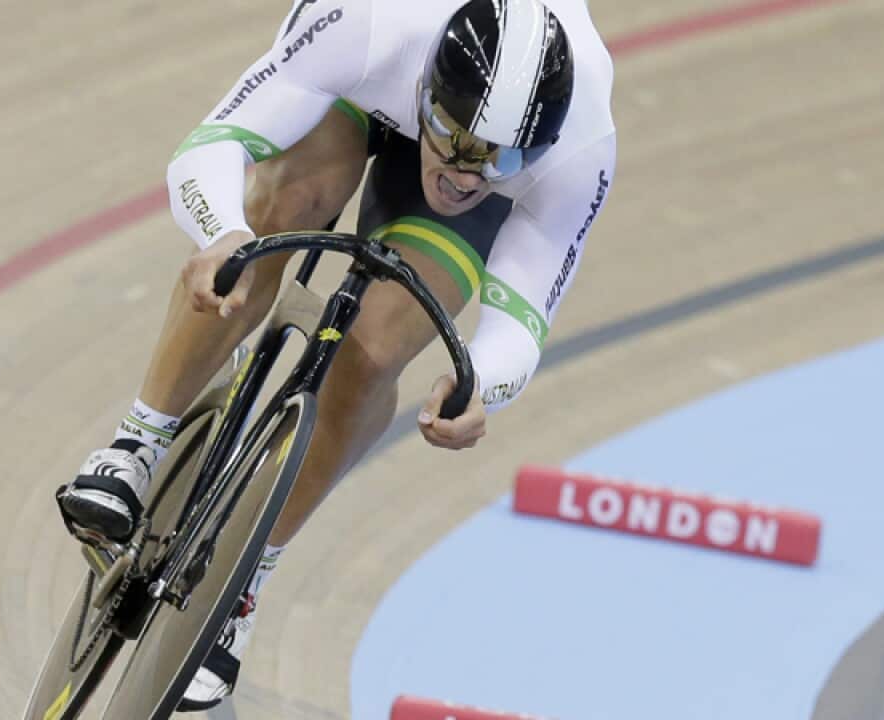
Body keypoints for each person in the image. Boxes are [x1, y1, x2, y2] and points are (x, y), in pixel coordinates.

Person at [58, 0, 616, 709]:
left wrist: (481, 383)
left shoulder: (579, 143)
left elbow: (522, 321)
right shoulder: (371, 26)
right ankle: (138, 441)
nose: (469, 174)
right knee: (281, 211)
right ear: (429, 94)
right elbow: (210, 148)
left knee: (380, 347)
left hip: (442, 110)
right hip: (359, 91)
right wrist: (224, 232)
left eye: (504, 159)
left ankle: (243, 581)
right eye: (458, 141)